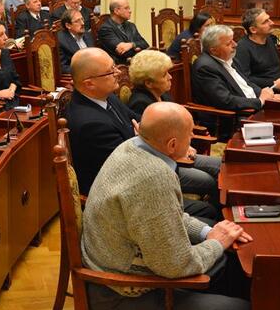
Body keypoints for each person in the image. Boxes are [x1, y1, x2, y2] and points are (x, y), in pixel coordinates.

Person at [82, 101, 253, 310]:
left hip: (114, 267)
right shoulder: (154, 176)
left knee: (229, 265)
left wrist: (209, 233)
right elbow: (174, 265)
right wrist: (217, 243)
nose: (192, 143)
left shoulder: (131, 146)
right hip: (120, 292)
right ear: (172, 145)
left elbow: (168, 215)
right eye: (189, 136)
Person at [65, 48, 219, 218]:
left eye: (114, 67)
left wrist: (173, 142)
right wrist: (168, 148)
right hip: (128, 190)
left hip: (151, 160)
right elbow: (128, 165)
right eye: (110, 71)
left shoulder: (106, 97)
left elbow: (142, 122)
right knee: (209, 198)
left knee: (217, 168)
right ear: (89, 83)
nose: (118, 73)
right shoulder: (90, 124)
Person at [128, 50, 222, 201]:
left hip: (179, 151)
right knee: (210, 180)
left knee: (221, 165)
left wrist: (186, 145)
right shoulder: (140, 103)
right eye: (164, 75)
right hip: (165, 163)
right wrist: (183, 149)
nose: (170, 77)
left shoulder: (163, 94)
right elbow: (153, 145)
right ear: (148, 83)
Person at [192, 25, 275, 113]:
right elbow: (225, 100)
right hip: (236, 115)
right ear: (214, 50)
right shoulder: (205, 67)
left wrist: (264, 93)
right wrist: (260, 101)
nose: (235, 44)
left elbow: (247, 83)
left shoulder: (228, 58)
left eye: (233, 40)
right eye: (228, 44)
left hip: (253, 106)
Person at [234, 8, 280, 92]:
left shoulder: (269, 40)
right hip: (262, 93)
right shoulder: (242, 47)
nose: (272, 23)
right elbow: (244, 78)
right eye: (265, 22)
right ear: (253, 30)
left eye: (269, 19)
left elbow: (275, 70)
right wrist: (274, 84)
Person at [97, 0, 149, 64]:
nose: (130, 11)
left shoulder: (131, 25)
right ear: (116, 11)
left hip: (135, 63)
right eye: (126, 8)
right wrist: (136, 47)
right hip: (118, 66)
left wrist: (131, 45)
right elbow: (123, 52)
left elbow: (145, 44)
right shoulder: (105, 29)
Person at [57, 8, 94, 73]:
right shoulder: (60, 41)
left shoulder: (87, 35)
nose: (82, 23)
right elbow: (62, 67)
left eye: (82, 19)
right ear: (68, 25)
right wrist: (84, 71)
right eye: (77, 21)